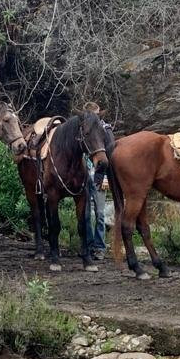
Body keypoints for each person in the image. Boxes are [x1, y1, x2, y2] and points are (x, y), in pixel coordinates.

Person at [82, 101, 108, 260]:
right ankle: (89, 244)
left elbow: (108, 155)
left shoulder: (104, 130)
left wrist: (105, 176)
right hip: (85, 176)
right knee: (85, 214)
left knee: (99, 213)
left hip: (99, 177)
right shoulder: (82, 130)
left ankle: (99, 247)